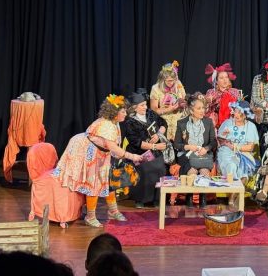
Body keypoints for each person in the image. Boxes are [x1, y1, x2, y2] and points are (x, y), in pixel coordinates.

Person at [54, 95, 142, 227]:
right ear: (114, 113)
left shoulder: (114, 122)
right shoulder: (107, 125)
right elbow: (113, 147)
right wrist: (132, 156)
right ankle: (90, 217)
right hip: (85, 150)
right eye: (123, 111)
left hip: (100, 152)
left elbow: (112, 146)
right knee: (93, 183)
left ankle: (113, 211)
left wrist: (118, 156)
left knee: (106, 181)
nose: (125, 114)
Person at [122, 89, 168, 208]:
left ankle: (157, 199)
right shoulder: (129, 122)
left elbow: (163, 123)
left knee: (160, 169)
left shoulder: (150, 114)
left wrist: (158, 135)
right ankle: (140, 200)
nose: (145, 107)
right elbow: (136, 142)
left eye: (145, 104)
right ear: (134, 107)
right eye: (142, 105)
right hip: (139, 153)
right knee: (144, 170)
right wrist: (155, 146)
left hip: (155, 152)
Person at [173, 93, 217, 208]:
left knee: (204, 171)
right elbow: (176, 144)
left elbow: (213, 142)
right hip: (187, 155)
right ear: (191, 110)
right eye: (199, 108)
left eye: (203, 108)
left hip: (203, 154)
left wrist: (206, 148)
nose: (202, 111)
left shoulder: (208, 122)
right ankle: (189, 197)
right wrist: (188, 147)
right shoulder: (182, 123)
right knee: (192, 171)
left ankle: (203, 198)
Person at [217, 100, 260, 205]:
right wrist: (226, 141)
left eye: (239, 112)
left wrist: (236, 147)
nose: (236, 114)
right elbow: (220, 139)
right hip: (226, 151)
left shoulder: (251, 126)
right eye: (235, 111)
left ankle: (232, 198)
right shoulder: (227, 123)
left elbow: (250, 147)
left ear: (245, 115)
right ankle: (233, 196)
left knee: (243, 171)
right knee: (231, 166)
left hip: (243, 153)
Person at [149, 61, 187, 141]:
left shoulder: (178, 84)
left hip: (179, 122)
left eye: (173, 80)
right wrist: (169, 109)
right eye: (169, 80)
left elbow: (184, 98)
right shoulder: (156, 88)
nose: (171, 83)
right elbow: (153, 111)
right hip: (164, 123)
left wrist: (182, 104)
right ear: (162, 79)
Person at [204, 63, 241, 128]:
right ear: (216, 81)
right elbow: (206, 110)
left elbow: (240, 107)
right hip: (215, 121)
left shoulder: (234, 91)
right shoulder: (211, 92)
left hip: (231, 119)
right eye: (221, 78)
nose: (225, 80)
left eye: (226, 77)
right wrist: (209, 101)